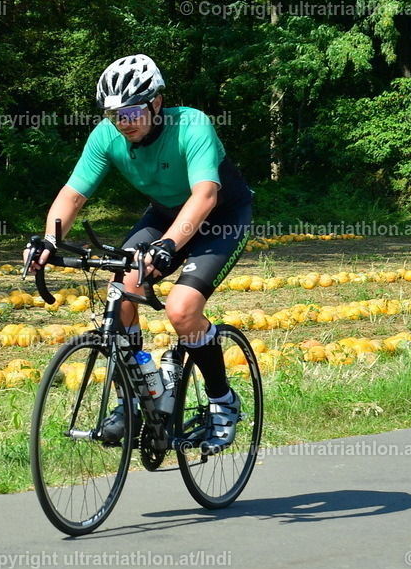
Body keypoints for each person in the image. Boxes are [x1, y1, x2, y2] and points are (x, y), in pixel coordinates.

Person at [23, 54, 253, 452]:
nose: (124, 121)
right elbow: (74, 194)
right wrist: (49, 239)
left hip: (220, 218)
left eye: (131, 111)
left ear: (156, 103)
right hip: (164, 215)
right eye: (115, 114)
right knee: (121, 289)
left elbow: (205, 195)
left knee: (181, 310)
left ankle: (223, 402)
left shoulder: (191, 125)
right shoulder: (106, 137)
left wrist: (167, 246)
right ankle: (133, 398)